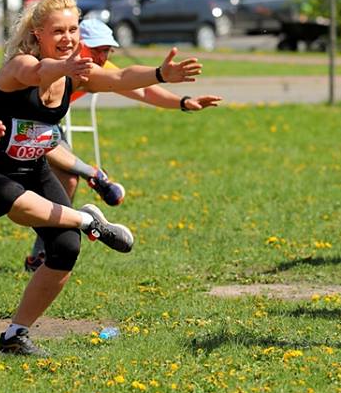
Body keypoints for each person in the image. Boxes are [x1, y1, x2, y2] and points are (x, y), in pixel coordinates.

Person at [0, 0, 202, 355]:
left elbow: (121, 77)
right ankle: (86, 219)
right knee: (7, 196)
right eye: (58, 31)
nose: (67, 38)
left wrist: (160, 74)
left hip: (35, 169)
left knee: (65, 247)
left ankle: (14, 336)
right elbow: (37, 73)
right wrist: (66, 67)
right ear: (38, 33)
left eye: (73, 30)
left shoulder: (77, 75)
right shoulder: (21, 65)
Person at [22, 19, 223, 271]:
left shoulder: (96, 68)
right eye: (96, 50)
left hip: (48, 128)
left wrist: (182, 102)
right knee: (18, 194)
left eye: (107, 50)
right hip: (22, 128)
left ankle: (40, 255)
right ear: (76, 46)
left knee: (67, 182)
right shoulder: (52, 64)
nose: (102, 57)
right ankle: (94, 176)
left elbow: (137, 87)